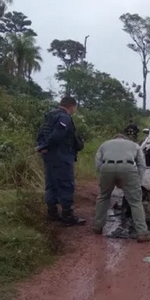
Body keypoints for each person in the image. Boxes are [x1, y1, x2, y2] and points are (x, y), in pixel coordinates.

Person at [93, 134, 150, 242]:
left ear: (114, 139)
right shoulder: (134, 145)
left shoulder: (104, 144)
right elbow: (141, 164)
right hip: (128, 167)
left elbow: (98, 162)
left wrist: (104, 173)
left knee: (103, 197)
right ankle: (142, 233)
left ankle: (97, 227)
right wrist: (138, 181)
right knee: (135, 202)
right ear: (125, 139)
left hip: (107, 167)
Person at [35, 96, 86, 226]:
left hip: (50, 157)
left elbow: (41, 133)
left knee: (51, 184)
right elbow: (58, 135)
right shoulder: (64, 118)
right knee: (66, 185)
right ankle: (67, 216)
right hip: (61, 156)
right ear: (72, 106)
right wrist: (46, 146)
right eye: (75, 108)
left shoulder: (50, 116)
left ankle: (52, 213)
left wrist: (42, 147)